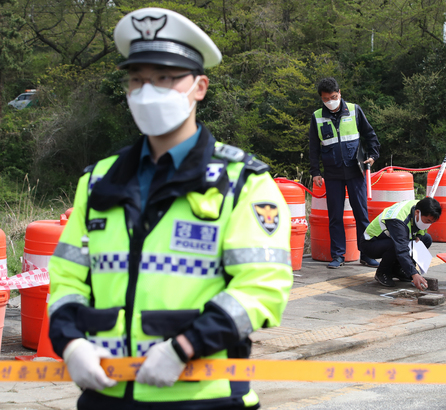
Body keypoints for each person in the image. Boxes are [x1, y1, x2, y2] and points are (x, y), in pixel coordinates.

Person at [47, 8, 293, 410]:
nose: (148, 91)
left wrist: (184, 347)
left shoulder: (242, 182)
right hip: (107, 393)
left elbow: (262, 288)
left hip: (203, 397)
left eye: (165, 78)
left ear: (199, 87)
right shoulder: (98, 181)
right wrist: (71, 343)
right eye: (138, 79)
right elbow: (66, 279)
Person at [308, 77, 381, 269]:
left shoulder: (355, 110)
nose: (330, 101)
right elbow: (313, 147)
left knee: (361, 215)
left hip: (355, 170)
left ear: (340, 93)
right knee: (335, 216)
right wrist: (315, 172)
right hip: (332, 173)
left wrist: (373, 155)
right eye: (326, 99)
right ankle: (338, 255)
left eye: (333, 97)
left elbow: (370, 134)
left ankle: (367, 254)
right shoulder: (317, 117)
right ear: (321, 99)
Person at [361, 197, 441, 289]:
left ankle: (398, 269)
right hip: (371, 243)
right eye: (427, 221)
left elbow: (421, 228)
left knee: (426, 239)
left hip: (390, 238)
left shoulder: (421, 207)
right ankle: (382, 272)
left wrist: (419, 235)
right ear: (417, 213)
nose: (428, 224)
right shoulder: (397, 219)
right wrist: (414, 273)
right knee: (395, 245)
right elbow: (401, 249)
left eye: (432, 222)